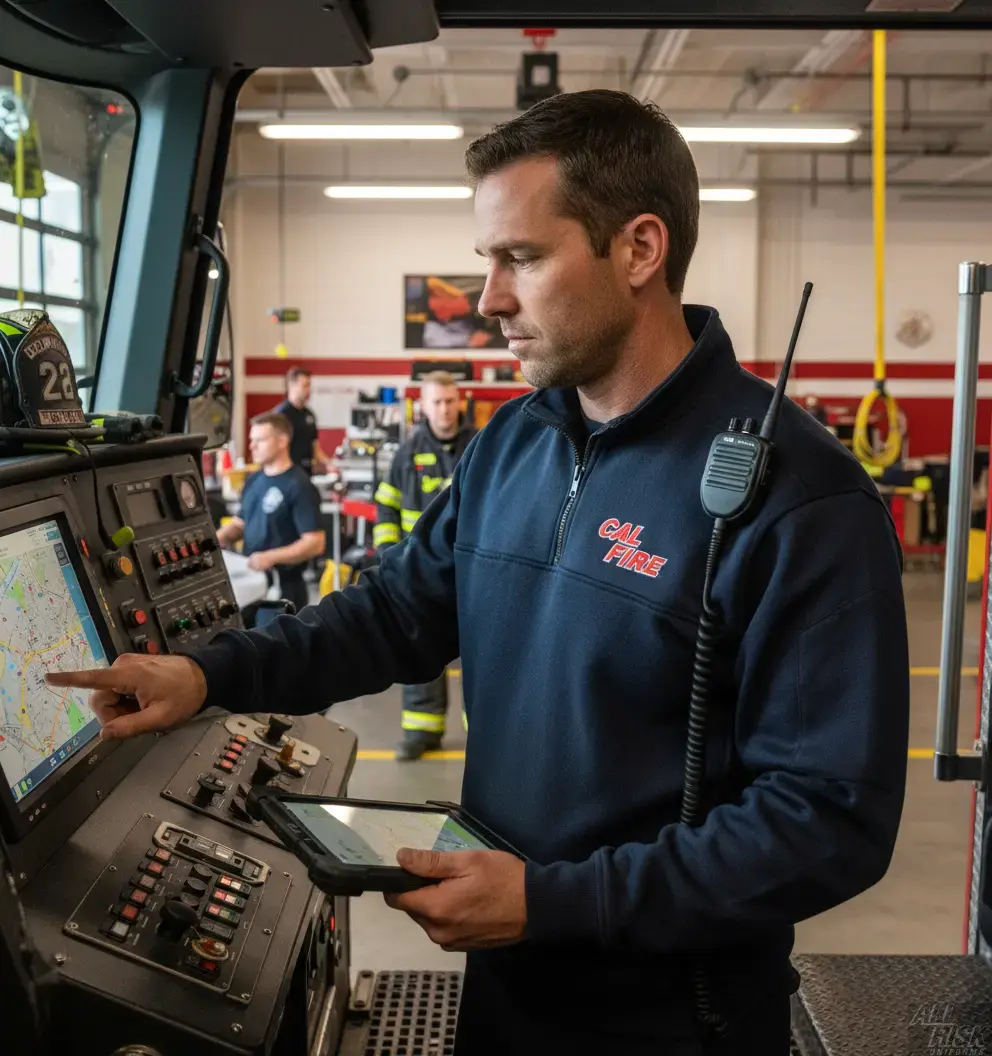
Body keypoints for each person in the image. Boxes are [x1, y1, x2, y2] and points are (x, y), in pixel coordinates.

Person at [48, 90, 909, 1056]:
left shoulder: (801, 496)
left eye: (523, 258)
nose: (489, 298)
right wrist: (212, 674)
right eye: (486, 262)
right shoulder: (516, 441)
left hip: (673, 1023)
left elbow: (828, 821)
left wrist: (555, 900)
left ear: (639, 250)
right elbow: (397, 613)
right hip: (507, 988)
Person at [373, 370, 476, 760]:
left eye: (450, 401)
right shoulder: (407, 452)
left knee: (480, 655)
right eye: (436, 402)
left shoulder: (481, 446)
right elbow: (387, 505)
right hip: (421, 572)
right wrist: (390, 555)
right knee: (421, 648)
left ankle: (482, 735)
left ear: (459, 402)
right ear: (423, 405)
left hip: (473, 572)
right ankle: (422, 732)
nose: (445, 409)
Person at [217, 412, 325, 614]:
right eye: (251, 440)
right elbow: (240, 523)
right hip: (250, 584)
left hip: (282, 590)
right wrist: (215, 538)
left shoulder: (299, 485)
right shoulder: (254, 480)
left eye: (260, 440)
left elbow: (315, 542)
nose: (252, 446)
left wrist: (270, 557)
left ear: (282, 441)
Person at [275, 367, 332, 476]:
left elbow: (315, 447)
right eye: (305, 386)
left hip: (306, 474)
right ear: (292, 386)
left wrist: (329, 464)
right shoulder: (281, 415)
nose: (308, 390)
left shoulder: (309, 414)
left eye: (309, 385)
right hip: (287, 474)